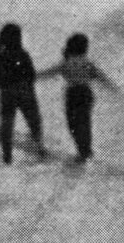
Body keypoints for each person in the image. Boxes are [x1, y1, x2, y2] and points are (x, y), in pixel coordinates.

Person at [36, 33, 117, 162]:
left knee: (73, 124)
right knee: (84, 122)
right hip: (86, 93)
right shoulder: (87, 63)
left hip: (73, 94)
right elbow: (102, 78)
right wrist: (114, 90)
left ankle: (82, 151)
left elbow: (48, 73)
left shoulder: (66, 63)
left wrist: (30, 77)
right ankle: (86, 151)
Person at [0, 24, 45, 164]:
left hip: (7, 93)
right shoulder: (23, 54)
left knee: (7, 124)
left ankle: (7, 155)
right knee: (33, 120)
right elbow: (31, 75)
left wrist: (3, 84)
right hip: (25, 92)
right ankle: (39, 147)